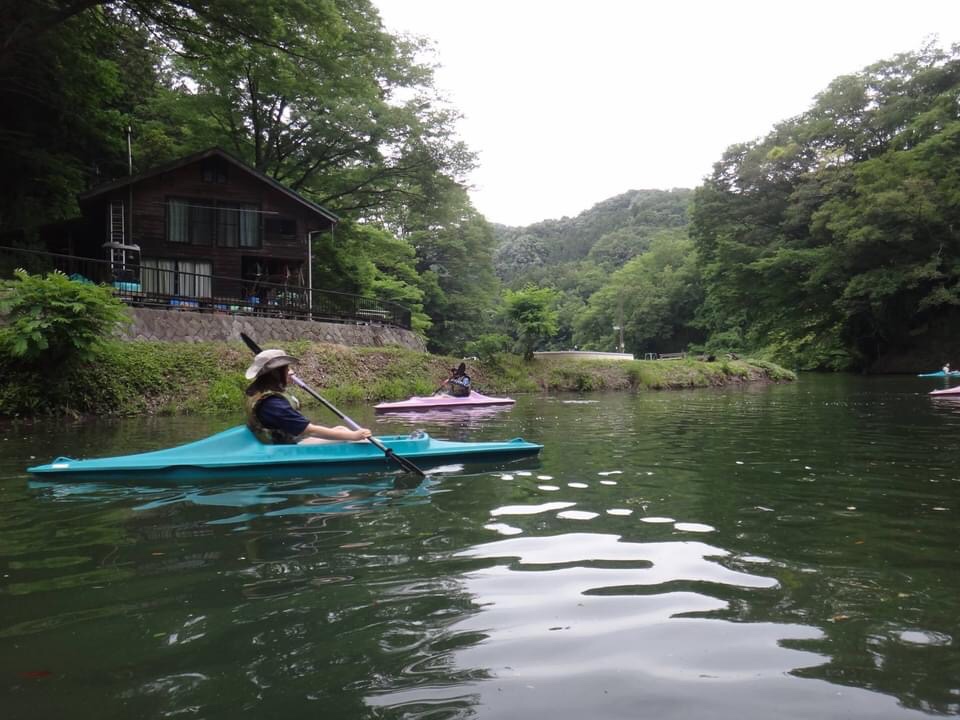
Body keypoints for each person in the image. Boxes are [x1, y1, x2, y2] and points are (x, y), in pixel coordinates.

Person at [244, 348, 372, 445]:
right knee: (346, 435)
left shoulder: (260, 392)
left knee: (340, 429)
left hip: (288, 442)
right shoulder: (272, 404)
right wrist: (354, 436)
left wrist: (283, 377)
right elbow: (310, 430)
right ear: (276, 374)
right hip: (286, 449)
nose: (291, 372)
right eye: (286, 369)